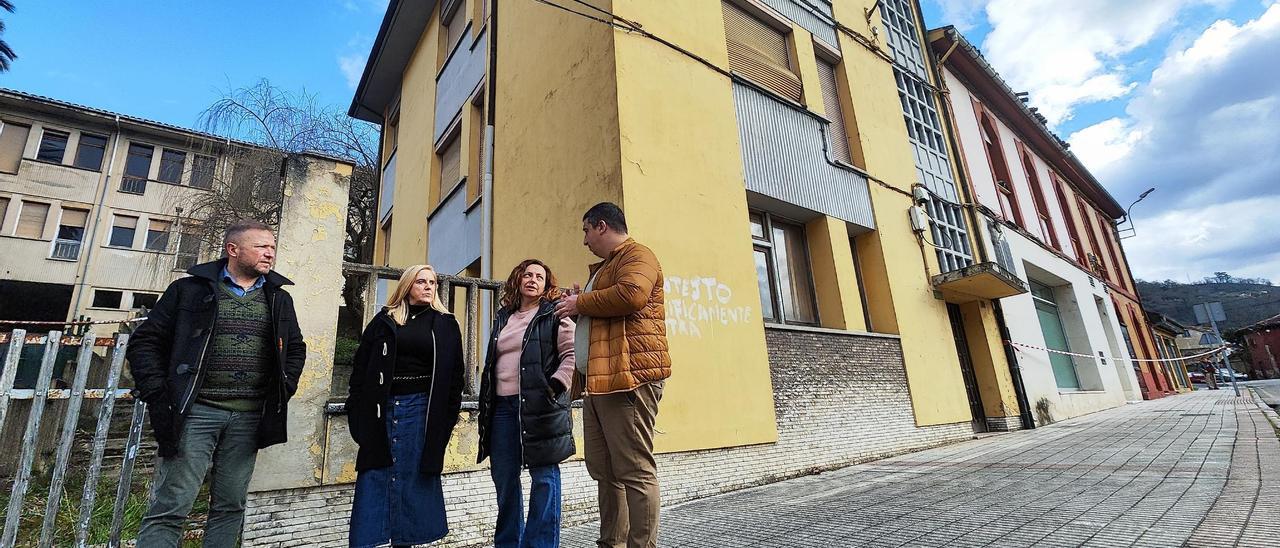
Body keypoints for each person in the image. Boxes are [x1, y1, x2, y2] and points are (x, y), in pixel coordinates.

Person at [128, 219, 306, 548]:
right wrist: (159, 392)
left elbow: (295, 348)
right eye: (261, 247)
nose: (270, 253)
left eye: (272, 247)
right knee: (171, 506)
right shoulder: (189, 290)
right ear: (233, 249)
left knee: (230, 506)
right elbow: (145, 343)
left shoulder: (278, 298)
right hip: (195, 412)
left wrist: (284, 386)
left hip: (249, 416)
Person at [555, 202, 672, 548]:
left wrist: (581, 303)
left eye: (586, 231)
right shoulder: (604, 268)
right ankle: (612, 543)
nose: (585, 240)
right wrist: (579, 303)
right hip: (600, 382)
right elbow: (601, 315)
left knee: (634, 470)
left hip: (629, 379)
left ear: (602, 226)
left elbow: (632, 296)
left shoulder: (639, 255)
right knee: (605, 471)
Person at [346, 265, 465, 548]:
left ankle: (405, 542)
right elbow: (360, 368)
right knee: (375, 476)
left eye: (433, 282)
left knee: (413, 480)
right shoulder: (384, 320)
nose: (428, 286)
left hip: (422, 411)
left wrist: (446, 422)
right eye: (421, 281)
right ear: (407, 285)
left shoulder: (445, 323)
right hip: (382, 410)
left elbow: (455, 379)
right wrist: (356, 413)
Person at [477, 259, 577, 548]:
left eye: (540, 277)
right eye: (528, 274)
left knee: (544, 478)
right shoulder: (503, 317)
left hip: (540, 407)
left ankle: (541, 544)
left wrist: (555, 386)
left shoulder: (554, 314)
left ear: (547, 285)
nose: (533, 279)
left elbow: (571, 355)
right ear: (518, 279)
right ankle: (508, 543)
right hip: (502, 410)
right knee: (505, 481)